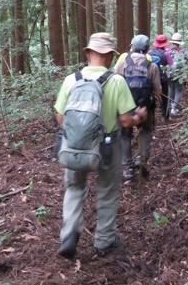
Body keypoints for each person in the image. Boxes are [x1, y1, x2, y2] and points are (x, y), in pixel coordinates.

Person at [54, 32, 147, 260]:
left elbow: (59, 117)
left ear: (88, 53)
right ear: (109, 56)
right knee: (107, 191)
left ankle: (69, 234)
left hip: (75, 146)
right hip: (106, 147)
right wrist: (139, 118)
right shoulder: (116, 81)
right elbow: (125, 120)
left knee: (75, 188)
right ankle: (104, 241)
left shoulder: (71, 80)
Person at [114, 35, 162, 180]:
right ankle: (141, 160)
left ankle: (127, 168)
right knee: (146, 131)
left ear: (132, 47)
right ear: (148, 49)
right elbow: (158, 90)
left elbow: (115, 82)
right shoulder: (152, 66)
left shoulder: (122, 63)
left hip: (124, 107)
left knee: (124, 135)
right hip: (144, 107)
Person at [149, 33, 172, 118]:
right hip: (163, 78)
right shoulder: (166, 53)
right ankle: (165, 115)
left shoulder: (150, 52)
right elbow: (171, 65)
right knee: (165, 97)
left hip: (151, 78)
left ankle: (151, 116)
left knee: (151, 96)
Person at [167, 31, 188, 117]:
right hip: (179, 74)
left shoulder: (168, 51)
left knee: (171, 89)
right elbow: (186, 62)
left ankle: (172, 105)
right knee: (178, 90)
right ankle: (174, 108)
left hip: (169, 73)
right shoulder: (182, 52)